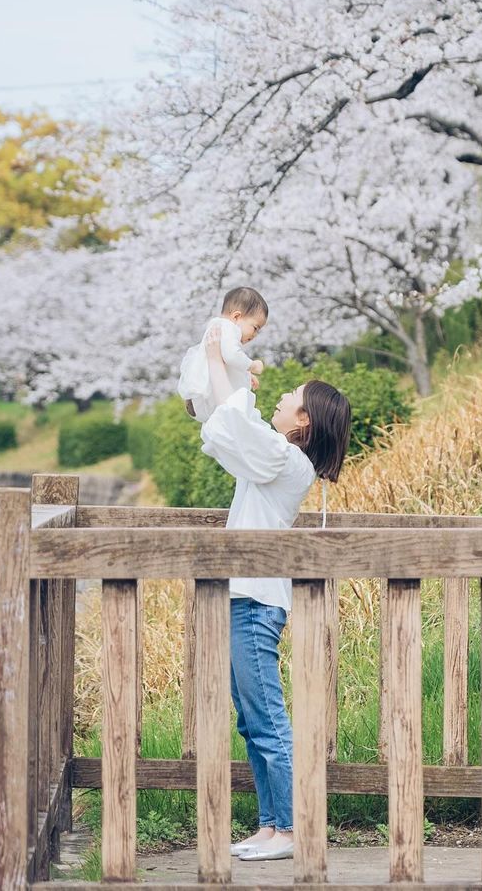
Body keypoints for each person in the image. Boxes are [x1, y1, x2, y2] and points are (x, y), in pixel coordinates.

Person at [199, 322, 352, 863]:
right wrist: (225, 370)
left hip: (257, 602)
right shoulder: (274, 458)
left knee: (266, 718)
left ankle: (291, 829)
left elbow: (235, 423)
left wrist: (221, 364)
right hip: (246, 599)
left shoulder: (288, 461)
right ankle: (271, 824)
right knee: (251, 719)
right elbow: (229, 429)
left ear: (303, 421)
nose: (281, 400)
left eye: (290, 400)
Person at [179, 286, 269, 421]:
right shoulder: (228, 328)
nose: (255, 335)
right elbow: (231, 356)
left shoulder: (219, 328)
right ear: (237, 316)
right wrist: (252, 365)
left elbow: (227, 360)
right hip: (212, 395)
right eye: (255, 328)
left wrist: (246, 374)